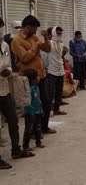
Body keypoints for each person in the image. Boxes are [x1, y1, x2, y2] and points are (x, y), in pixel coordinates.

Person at [11, 15, 56, 134]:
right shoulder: (17, 40)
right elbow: (25, 58)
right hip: (28, 79)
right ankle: (32, 132)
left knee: (46, 103)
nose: (36, 31)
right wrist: (35, 46)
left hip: (41, 75)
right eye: (34, 28)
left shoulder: (34, 37)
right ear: (27, 27)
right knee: (31, 107)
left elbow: (47, 49)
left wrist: (46, 38)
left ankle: (43, 127)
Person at [0, 18, 33, 170]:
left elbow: (7, 62)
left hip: (4, 89)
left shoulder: (4, 44)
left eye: (1, 27)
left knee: (13, 121)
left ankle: (16, 150)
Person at [23, 69, 45, 152]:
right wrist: (31, 111)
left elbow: (38, 99)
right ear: (33, 79)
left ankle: (38, 142)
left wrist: (40, 109)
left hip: (37, 111)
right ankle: (25, 146)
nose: (39, 78)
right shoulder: (29, 89)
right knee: (29, 129)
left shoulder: (37, 87)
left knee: (38, 128)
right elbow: (27, 102)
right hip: (30, 112)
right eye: (37, 76)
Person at [47, 27, 67, 116]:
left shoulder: (61, 44)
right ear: (53, 33)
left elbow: (63, 53)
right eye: (57, 33)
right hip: (51, 71)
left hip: (60, 71)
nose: (59, 35)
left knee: (59, 92)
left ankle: (56, 109)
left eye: (60, 34)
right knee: (50, 93)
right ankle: (47, 111)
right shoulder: (49, 43)